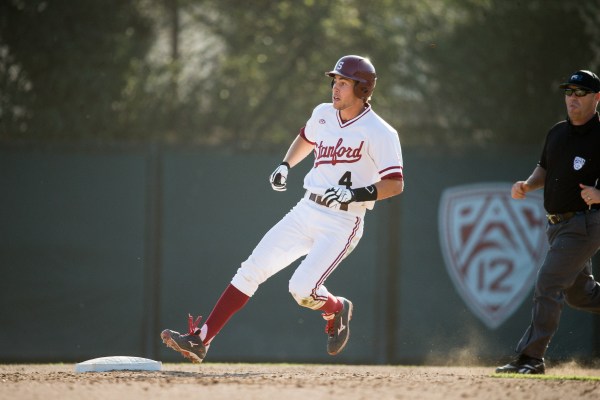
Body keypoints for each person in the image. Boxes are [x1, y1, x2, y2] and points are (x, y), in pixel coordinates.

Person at [160, 55, 404, 363]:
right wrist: (286, 164)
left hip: (343, 221)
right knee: (251, 270)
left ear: (363, 89)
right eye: (335, 81)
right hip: (306, 209)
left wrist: (355, 192)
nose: (335, 88)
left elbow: (395, 183)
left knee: (301, 289)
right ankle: (201, 339)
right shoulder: (324, 114)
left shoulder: (381, 132)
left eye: (344, 83)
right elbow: (306, 138)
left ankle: (337, 308)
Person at [496, 70, 600, 374]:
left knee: (548, 282)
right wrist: (527, 185)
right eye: (569, 92)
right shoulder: (557, 132)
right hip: (557, 225)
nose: (573, 98)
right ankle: (531, 356)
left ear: (597, 98)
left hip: (585, 223)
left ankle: (531, 357)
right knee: (581, 295)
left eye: (580, 93)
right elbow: (544, 168)